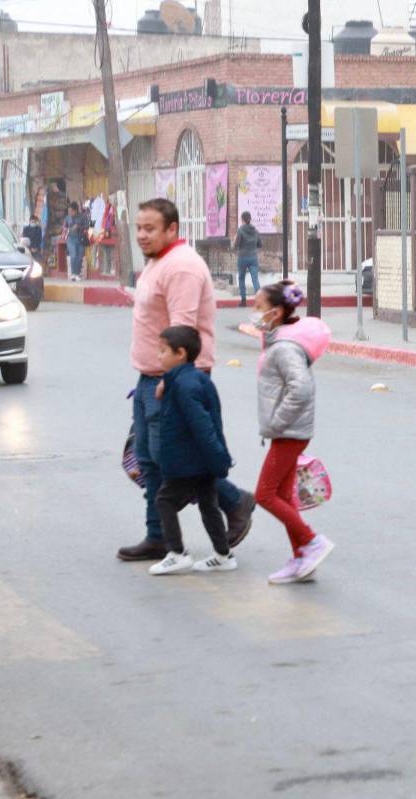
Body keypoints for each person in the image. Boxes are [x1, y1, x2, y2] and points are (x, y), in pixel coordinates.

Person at [118, 198, 257, 563]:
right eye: (139, 228)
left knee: (177, 462)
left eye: (150, 229)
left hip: (174, 378)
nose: (142, 235)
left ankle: (234, 500)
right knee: (150, 461)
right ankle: (158, 536)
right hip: (150, 377)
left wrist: (172, 381)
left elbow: (183, 331)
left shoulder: (181, 268)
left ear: (172, 229)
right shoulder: (158, 262)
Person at [251, 280, 335, 584]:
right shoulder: (278, 342)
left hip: (288, 432)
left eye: (258, 307)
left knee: (265, 495)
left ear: (274, 313)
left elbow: (300, 389)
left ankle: (311, 541)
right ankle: (301, 556)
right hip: (288, 431)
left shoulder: (284, 348)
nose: (254, 312)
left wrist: (277, 421)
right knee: (283, 496)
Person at [148, 325, 238, 575]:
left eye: (162, 351)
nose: (158, 356)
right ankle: (223, 554)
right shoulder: (188, 379)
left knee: (164, 500)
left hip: (190, 461)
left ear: (180, 353)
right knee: (208, 505)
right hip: (200, 460)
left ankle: (177, 553)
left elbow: (203, 427)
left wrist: (218, 459)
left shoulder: (185, 386)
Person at [233, 211, 263, 307]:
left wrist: (234, 241)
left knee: (241, 278)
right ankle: (259, 301)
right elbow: (260, 244)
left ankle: (243, 301)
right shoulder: (255, 230)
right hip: (253, 257)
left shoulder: (240, 230)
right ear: (250, 219)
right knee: (255, 279)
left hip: (243, 257)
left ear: (242, 219)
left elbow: (236, 245)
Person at [65, 201, 90, 281]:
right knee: (74, 255)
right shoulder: (67, 218)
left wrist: (79, 227)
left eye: (71, 211)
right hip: (71, 239)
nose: (70, 212)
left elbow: (89, 226)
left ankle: (77, 274)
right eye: (69, 211)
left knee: (80, 257)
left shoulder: (83, 216)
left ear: (76, 210)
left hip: (81, 239)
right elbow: (64, 229)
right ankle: (73, 274)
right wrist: (69, 229)